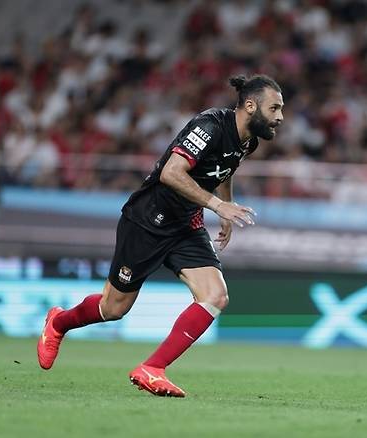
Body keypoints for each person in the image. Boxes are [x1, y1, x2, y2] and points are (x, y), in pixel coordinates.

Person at [37, 74, 284, 397]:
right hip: (147, 220)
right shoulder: (209, 127)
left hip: (186, 223)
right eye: (275, 108)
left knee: (216, 295)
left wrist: (225, 204)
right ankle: (59, 323)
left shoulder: (248, 140)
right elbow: (171, 173)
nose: (280, 116)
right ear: (250, 106)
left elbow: (226, 168)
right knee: (113, 309)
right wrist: (217, 205)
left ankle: (152, 368)